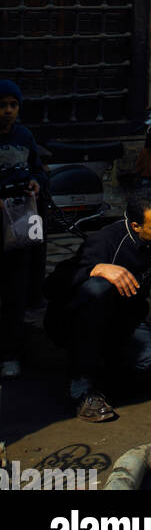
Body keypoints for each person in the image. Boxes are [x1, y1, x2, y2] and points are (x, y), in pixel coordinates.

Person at [44, 189, 151, 422]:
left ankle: (104, 375)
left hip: (123, 321)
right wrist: (95, 269)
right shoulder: (105, 241)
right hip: (79, 321)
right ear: (135, 226)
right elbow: (52, 285)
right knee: (98, 288)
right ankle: (83, 391)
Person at [0, 79, 47, 379]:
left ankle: (11, 352)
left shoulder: (25, 136)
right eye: (2, 105)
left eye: (13, 105)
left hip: (21, 220)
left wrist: (36, 182)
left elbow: (37, 169)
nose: (8, 111)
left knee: (17, 287)